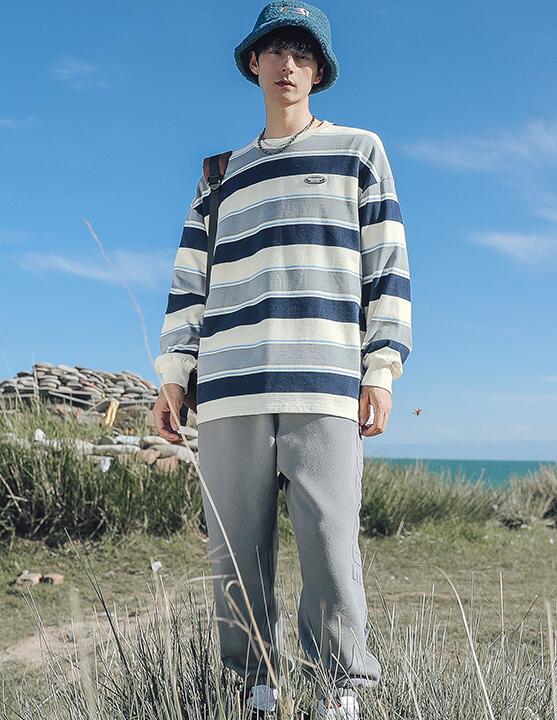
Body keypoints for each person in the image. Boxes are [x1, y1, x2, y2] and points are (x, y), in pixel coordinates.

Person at [152, 2, 412, 718]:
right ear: (253, 63)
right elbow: (189, 280)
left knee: (330, 548)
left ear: (319, 70)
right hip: (228, 387)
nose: (287, 64)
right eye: (275, 50)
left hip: (324, 383)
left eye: (302, 53)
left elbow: (387, 265)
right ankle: (255, 689)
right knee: (235, 557)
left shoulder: (358, 151)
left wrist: (381, 369)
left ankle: (341, 690)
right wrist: (173, 375)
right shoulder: (219, 172)